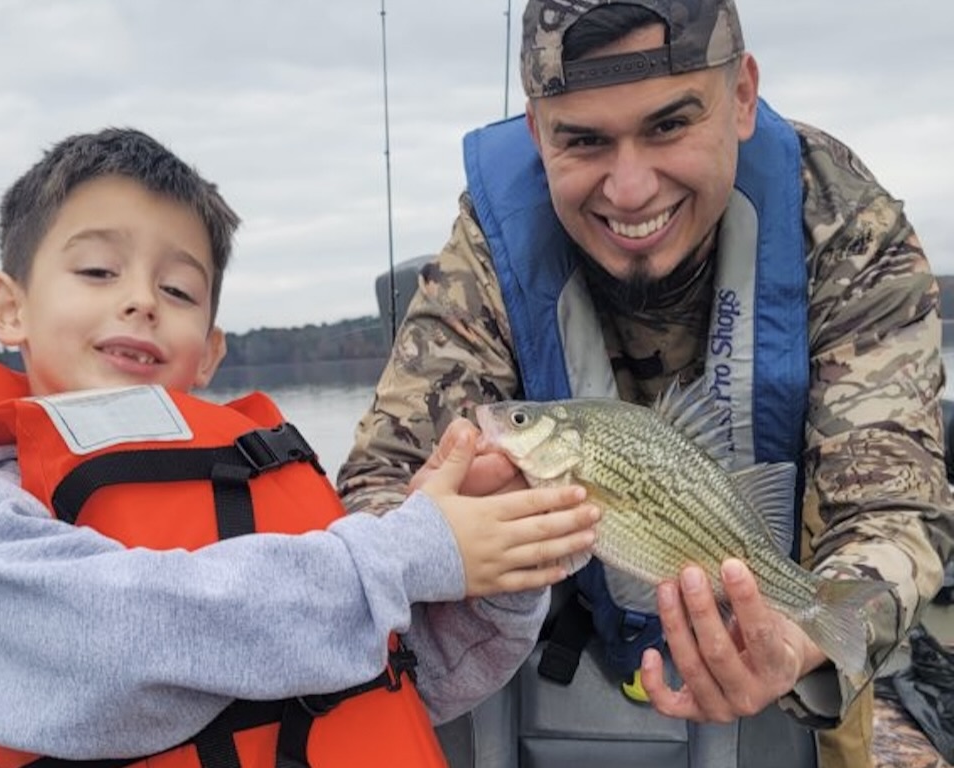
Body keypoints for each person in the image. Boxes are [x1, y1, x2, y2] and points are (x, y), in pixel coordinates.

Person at [336, 1, 954, 767]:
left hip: (789, 657)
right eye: (584, 140)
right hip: (535, 661)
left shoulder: (847, 228)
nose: (629, 191)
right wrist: (430, 526)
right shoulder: (489, 249)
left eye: (668, 125)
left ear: (742, 97)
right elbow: (378, 480)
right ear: (536, 132)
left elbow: (895, 505)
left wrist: (800, 639)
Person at [0, 127, 602, 766]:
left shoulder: (253, 491)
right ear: (8, 308)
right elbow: (124, 639)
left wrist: (490, 570)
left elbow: (414, 676)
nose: (141, 300)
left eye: (178, 289)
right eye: (99, 270)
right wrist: (410, 553)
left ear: (209, 354)